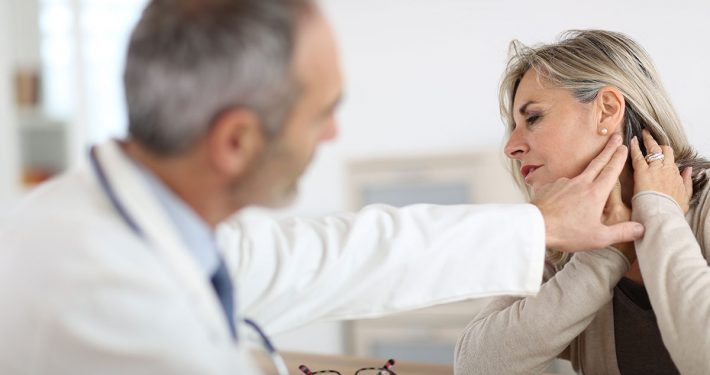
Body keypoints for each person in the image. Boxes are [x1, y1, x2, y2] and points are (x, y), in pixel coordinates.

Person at [0, 2, 641, 374]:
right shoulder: (110, 307)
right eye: (320, 112)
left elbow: (341, 251)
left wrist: (538, 228)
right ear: (237, 142)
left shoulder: (158, 225)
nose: (333, 135)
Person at [454, 30, 710, 375]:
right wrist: (606, 254)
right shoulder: (563, 248)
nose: (510, 146)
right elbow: (476, 366)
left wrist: (658, 210)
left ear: (606, 111)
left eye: (533, 118)